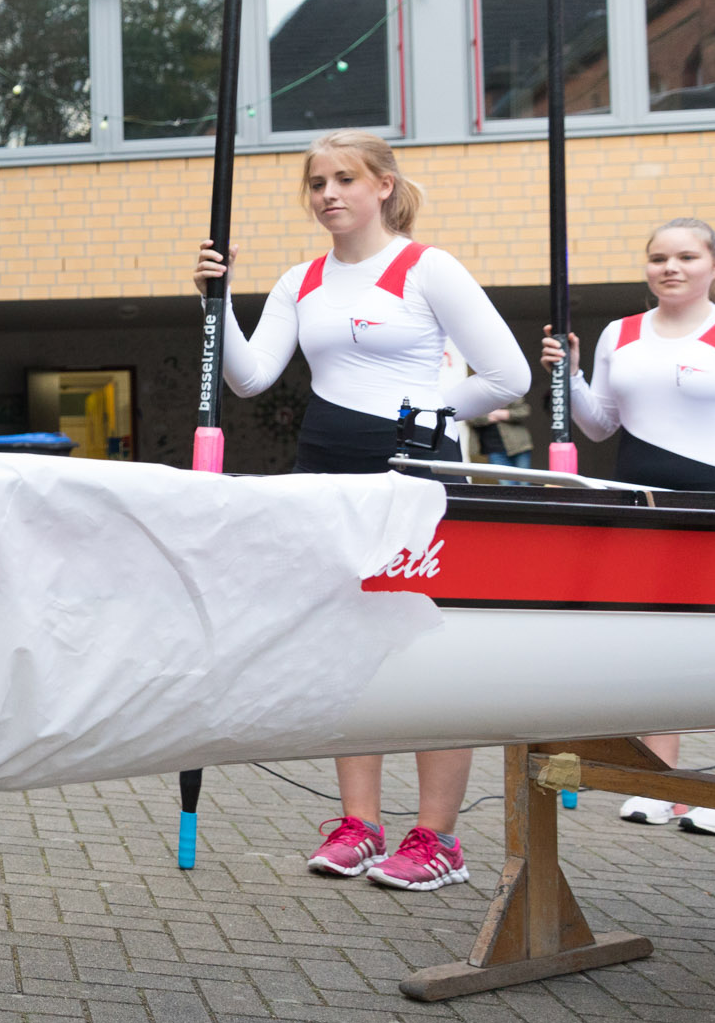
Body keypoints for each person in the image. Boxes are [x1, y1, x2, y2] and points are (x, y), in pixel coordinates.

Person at [189, 129, 529, 892]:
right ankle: (360, 824)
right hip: (326, 470)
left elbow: (507, 373)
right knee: (349, 643)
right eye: (316, 183)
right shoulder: (300, 280)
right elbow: (248, 378)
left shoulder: (426, 267)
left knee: (429, 651)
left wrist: (429, 410)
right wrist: (219, 303)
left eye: (345, 178)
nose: (329, 193)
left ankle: (438, 837)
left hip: (414, 472)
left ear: (383, 185)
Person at [542, 217, 715, 835]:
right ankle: (659, 777)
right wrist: (568, 375)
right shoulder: (619, 333)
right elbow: (598, 425)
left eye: (686, 256)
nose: (671, 268)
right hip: (643, 504)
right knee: (659, 638)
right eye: (658, 258)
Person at [467, 391, 535, 469]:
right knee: (505, 479)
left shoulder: (509, 391)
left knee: (524, 478)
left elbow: (524, 411)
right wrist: (501, 415)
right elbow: (469, 417)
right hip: (493, 448)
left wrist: (492, 413)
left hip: (518, 444)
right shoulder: (475, 396)